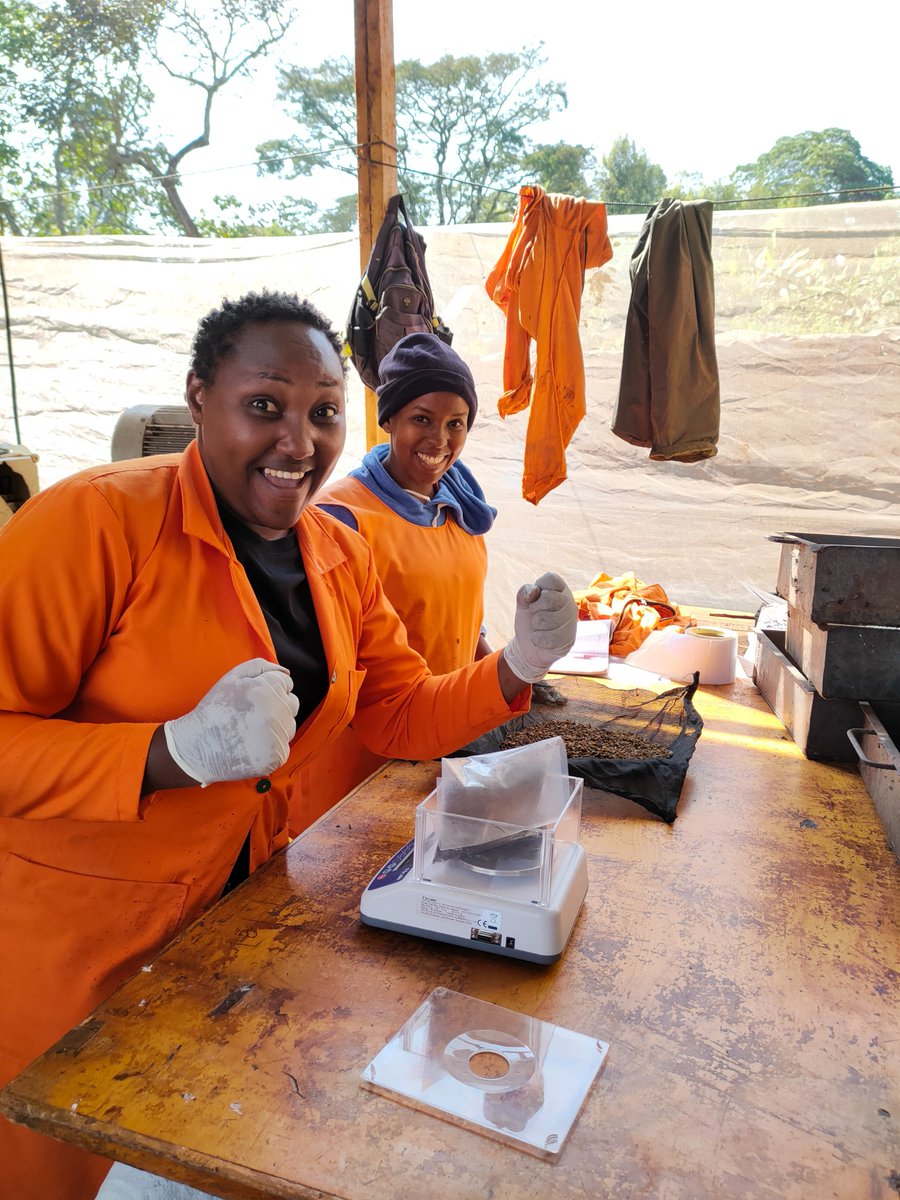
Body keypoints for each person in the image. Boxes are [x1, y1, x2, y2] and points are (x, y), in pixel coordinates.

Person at [0, 289, 578, 1200]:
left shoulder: (335, 553)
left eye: (322, 413)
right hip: (76, 944)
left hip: (234, 926)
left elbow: (396, 714)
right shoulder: (96, 526)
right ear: (199, 399)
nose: (299, 442)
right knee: (66, 1166)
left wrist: (515, 666)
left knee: (202, 1150)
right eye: (263, 405)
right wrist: (167, 753)